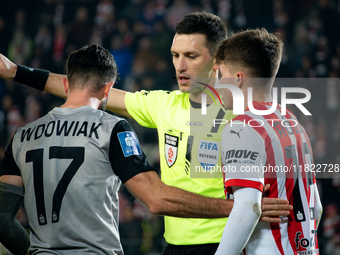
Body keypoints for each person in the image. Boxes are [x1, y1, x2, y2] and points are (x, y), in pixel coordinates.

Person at [0, 12, 292, 255]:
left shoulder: (242, 111)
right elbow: (83, 87)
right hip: (175, 246)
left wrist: (249, 207)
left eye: (191, 56)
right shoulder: (162, 104)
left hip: (227, 242)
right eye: (175, 55)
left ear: (218, 61)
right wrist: (17, 72)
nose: (180, 65)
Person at [213, 28, 323, 255]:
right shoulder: (292, 122)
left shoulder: (241, 127)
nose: (216, 84)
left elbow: (248, 207)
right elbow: (316, 206)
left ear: (238, 78)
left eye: (220, 75)